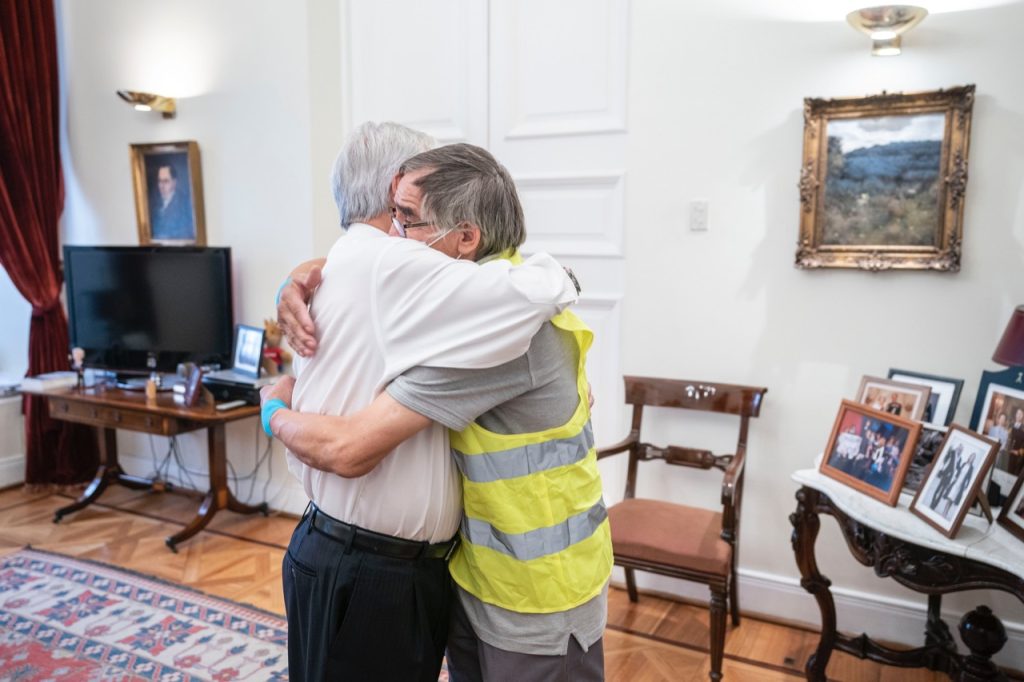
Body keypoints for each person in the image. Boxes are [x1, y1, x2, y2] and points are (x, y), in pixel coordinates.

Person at [270, 143, 611, 681]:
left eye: (404, 219)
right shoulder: (486, 290)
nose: (392, 235)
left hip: (538, 598)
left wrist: (273, 406)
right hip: (484, 579)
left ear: (466, 237)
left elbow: (350, 447)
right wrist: (298, 277)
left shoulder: (498, 335)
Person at [150, 163, 193, 239]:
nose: (161, 186)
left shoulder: (184, 203)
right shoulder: (155, 203)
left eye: (166, 181)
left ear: (174, 182)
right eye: (160, 181)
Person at [1006, 408, 1024, 476]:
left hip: (1016, 457)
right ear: (1015, 415)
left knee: (1012, 475)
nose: (1018, 415)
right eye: (1017, 413)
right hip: (1006, 454)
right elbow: (1007, 438)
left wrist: (1018, 452)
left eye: (1020, 414)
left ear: (1022, 416)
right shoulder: (1010, 425)